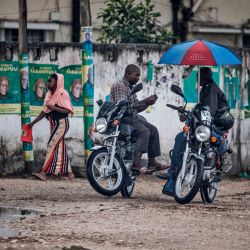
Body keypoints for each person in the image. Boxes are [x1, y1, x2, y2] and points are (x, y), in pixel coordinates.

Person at [162, 67, 232, 196]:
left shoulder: (211, 90)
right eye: (197, 77)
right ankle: (173, 174)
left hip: (212, 127)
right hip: (207, 126)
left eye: (200, 77)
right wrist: (187, 114)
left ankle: (173, 174)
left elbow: (208, 112)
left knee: (181, 138)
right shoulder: (206, 88)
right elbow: (201, 109)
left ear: (207, 77)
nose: (198, 80)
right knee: (181, 138)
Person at [110, 64, 167, 173]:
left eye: (139, 76)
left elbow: (136, 107)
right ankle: (135, 163)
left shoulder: (131, 88)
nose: (138, 78)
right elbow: (123, 107)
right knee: (144, 132)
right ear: (128, 74)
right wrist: (145, 101)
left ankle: (152, 162)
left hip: (132, 118)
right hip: (122, 119)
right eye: (136, 75)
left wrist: (148, 103)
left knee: (153, 130)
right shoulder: (120, 86)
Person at [28, 73, 75, 181]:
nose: (48, 83)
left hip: (62, 123)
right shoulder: (49, 94)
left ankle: (43, 172)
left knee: (51, 145)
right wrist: (33, 123)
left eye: (50, 81)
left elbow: (68, 111)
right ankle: (70, 173)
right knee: (60, 147)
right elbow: (44, 111)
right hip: (54, 124)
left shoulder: (63, 93)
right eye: (48, 81)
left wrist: (54, 107)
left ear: (57, 82)